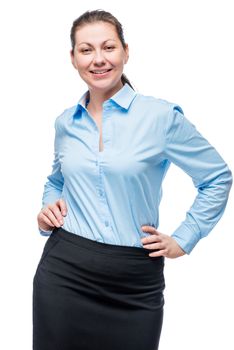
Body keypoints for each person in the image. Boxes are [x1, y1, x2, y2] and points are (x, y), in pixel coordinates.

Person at [32, 9, 232, 350]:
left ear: (126, 51)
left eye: (108, 47)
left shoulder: (161, 118)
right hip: (65, 270)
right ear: (73, 58)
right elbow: (57, 180)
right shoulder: (66, 123)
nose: (98, 60)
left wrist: (185, 237)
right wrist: (48, 207)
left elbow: (216, 177)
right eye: (86, 50)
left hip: (135, 280)